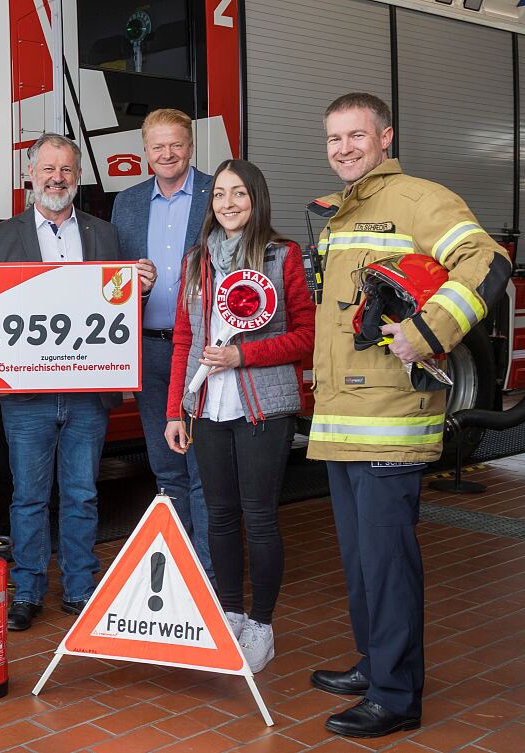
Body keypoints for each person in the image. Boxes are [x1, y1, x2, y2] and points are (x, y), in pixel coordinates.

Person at [308, 93, 511, 737]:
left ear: (385, 137)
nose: (343, 148)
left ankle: (396, 696)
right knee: (362, 559)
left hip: (391, 419)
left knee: (388, 561)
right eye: (334, 137)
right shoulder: (343, 212)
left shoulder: (420, 199)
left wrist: (430, 328)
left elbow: (487, 261)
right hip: (343, 419)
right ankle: (375, 664)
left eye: (355, 136)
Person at [0, 133, 153, 631]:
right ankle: (28, 590)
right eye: (48, 169)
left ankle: (80, 587)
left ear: (79, 178)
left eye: (68, 171)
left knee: (81, 494)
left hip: (87, 393)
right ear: (29, 176)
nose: (58, 178)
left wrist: (140, 288)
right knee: (28, 496)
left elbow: (118, 312)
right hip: (27, 395)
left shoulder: (104, 234)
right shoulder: (0, 238)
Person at [164, 159, 315, 674]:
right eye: (220, 195)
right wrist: (176, 411)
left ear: (256, 200)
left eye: (239, 195)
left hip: (263, 408)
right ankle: (228, 615)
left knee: (259, 517)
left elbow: (306, 336)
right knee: (221, 516)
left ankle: (262, 626)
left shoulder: (283, 255)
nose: (227, 204)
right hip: (207, 408)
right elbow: (185, 341)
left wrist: (243, 356)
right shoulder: (195, 262)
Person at [111, 108, 215, 578]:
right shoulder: (127, 203)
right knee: (166, 465)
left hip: (207, 352)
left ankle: (210, 573)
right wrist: (133, 282)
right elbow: (110, 283)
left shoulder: (220, 193)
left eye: (176, 144)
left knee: (205, 468)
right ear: (145, 152)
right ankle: (180, 567)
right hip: (152, 351)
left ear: (190, 146)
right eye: (158, 147)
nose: (167, 154)